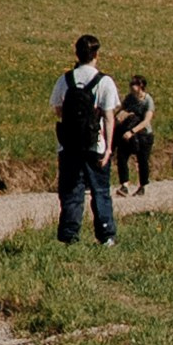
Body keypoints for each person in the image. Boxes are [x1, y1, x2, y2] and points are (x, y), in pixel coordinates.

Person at [51, 34, 120, 248]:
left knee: (72, 190)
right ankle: (106, 234)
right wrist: (108, 148)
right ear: (96, 55)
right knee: (100, 190)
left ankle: (70, 235)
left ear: (76, 54)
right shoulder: (104, 82)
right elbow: (109, 117)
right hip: (95, 144)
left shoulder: (66, 79)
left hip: (69, 144)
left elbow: (57, 109)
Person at [113, 73, 156, 196]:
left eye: (134, 84)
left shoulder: (148, 100)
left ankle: (143, 185)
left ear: (141, 85)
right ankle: (124, 185)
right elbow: (121, 110)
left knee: (142, 160)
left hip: (143, 135)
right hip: (127, 132)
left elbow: (147, 121)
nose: (132, 87)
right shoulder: (129, 98)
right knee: (122, 157)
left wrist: (132, 132)